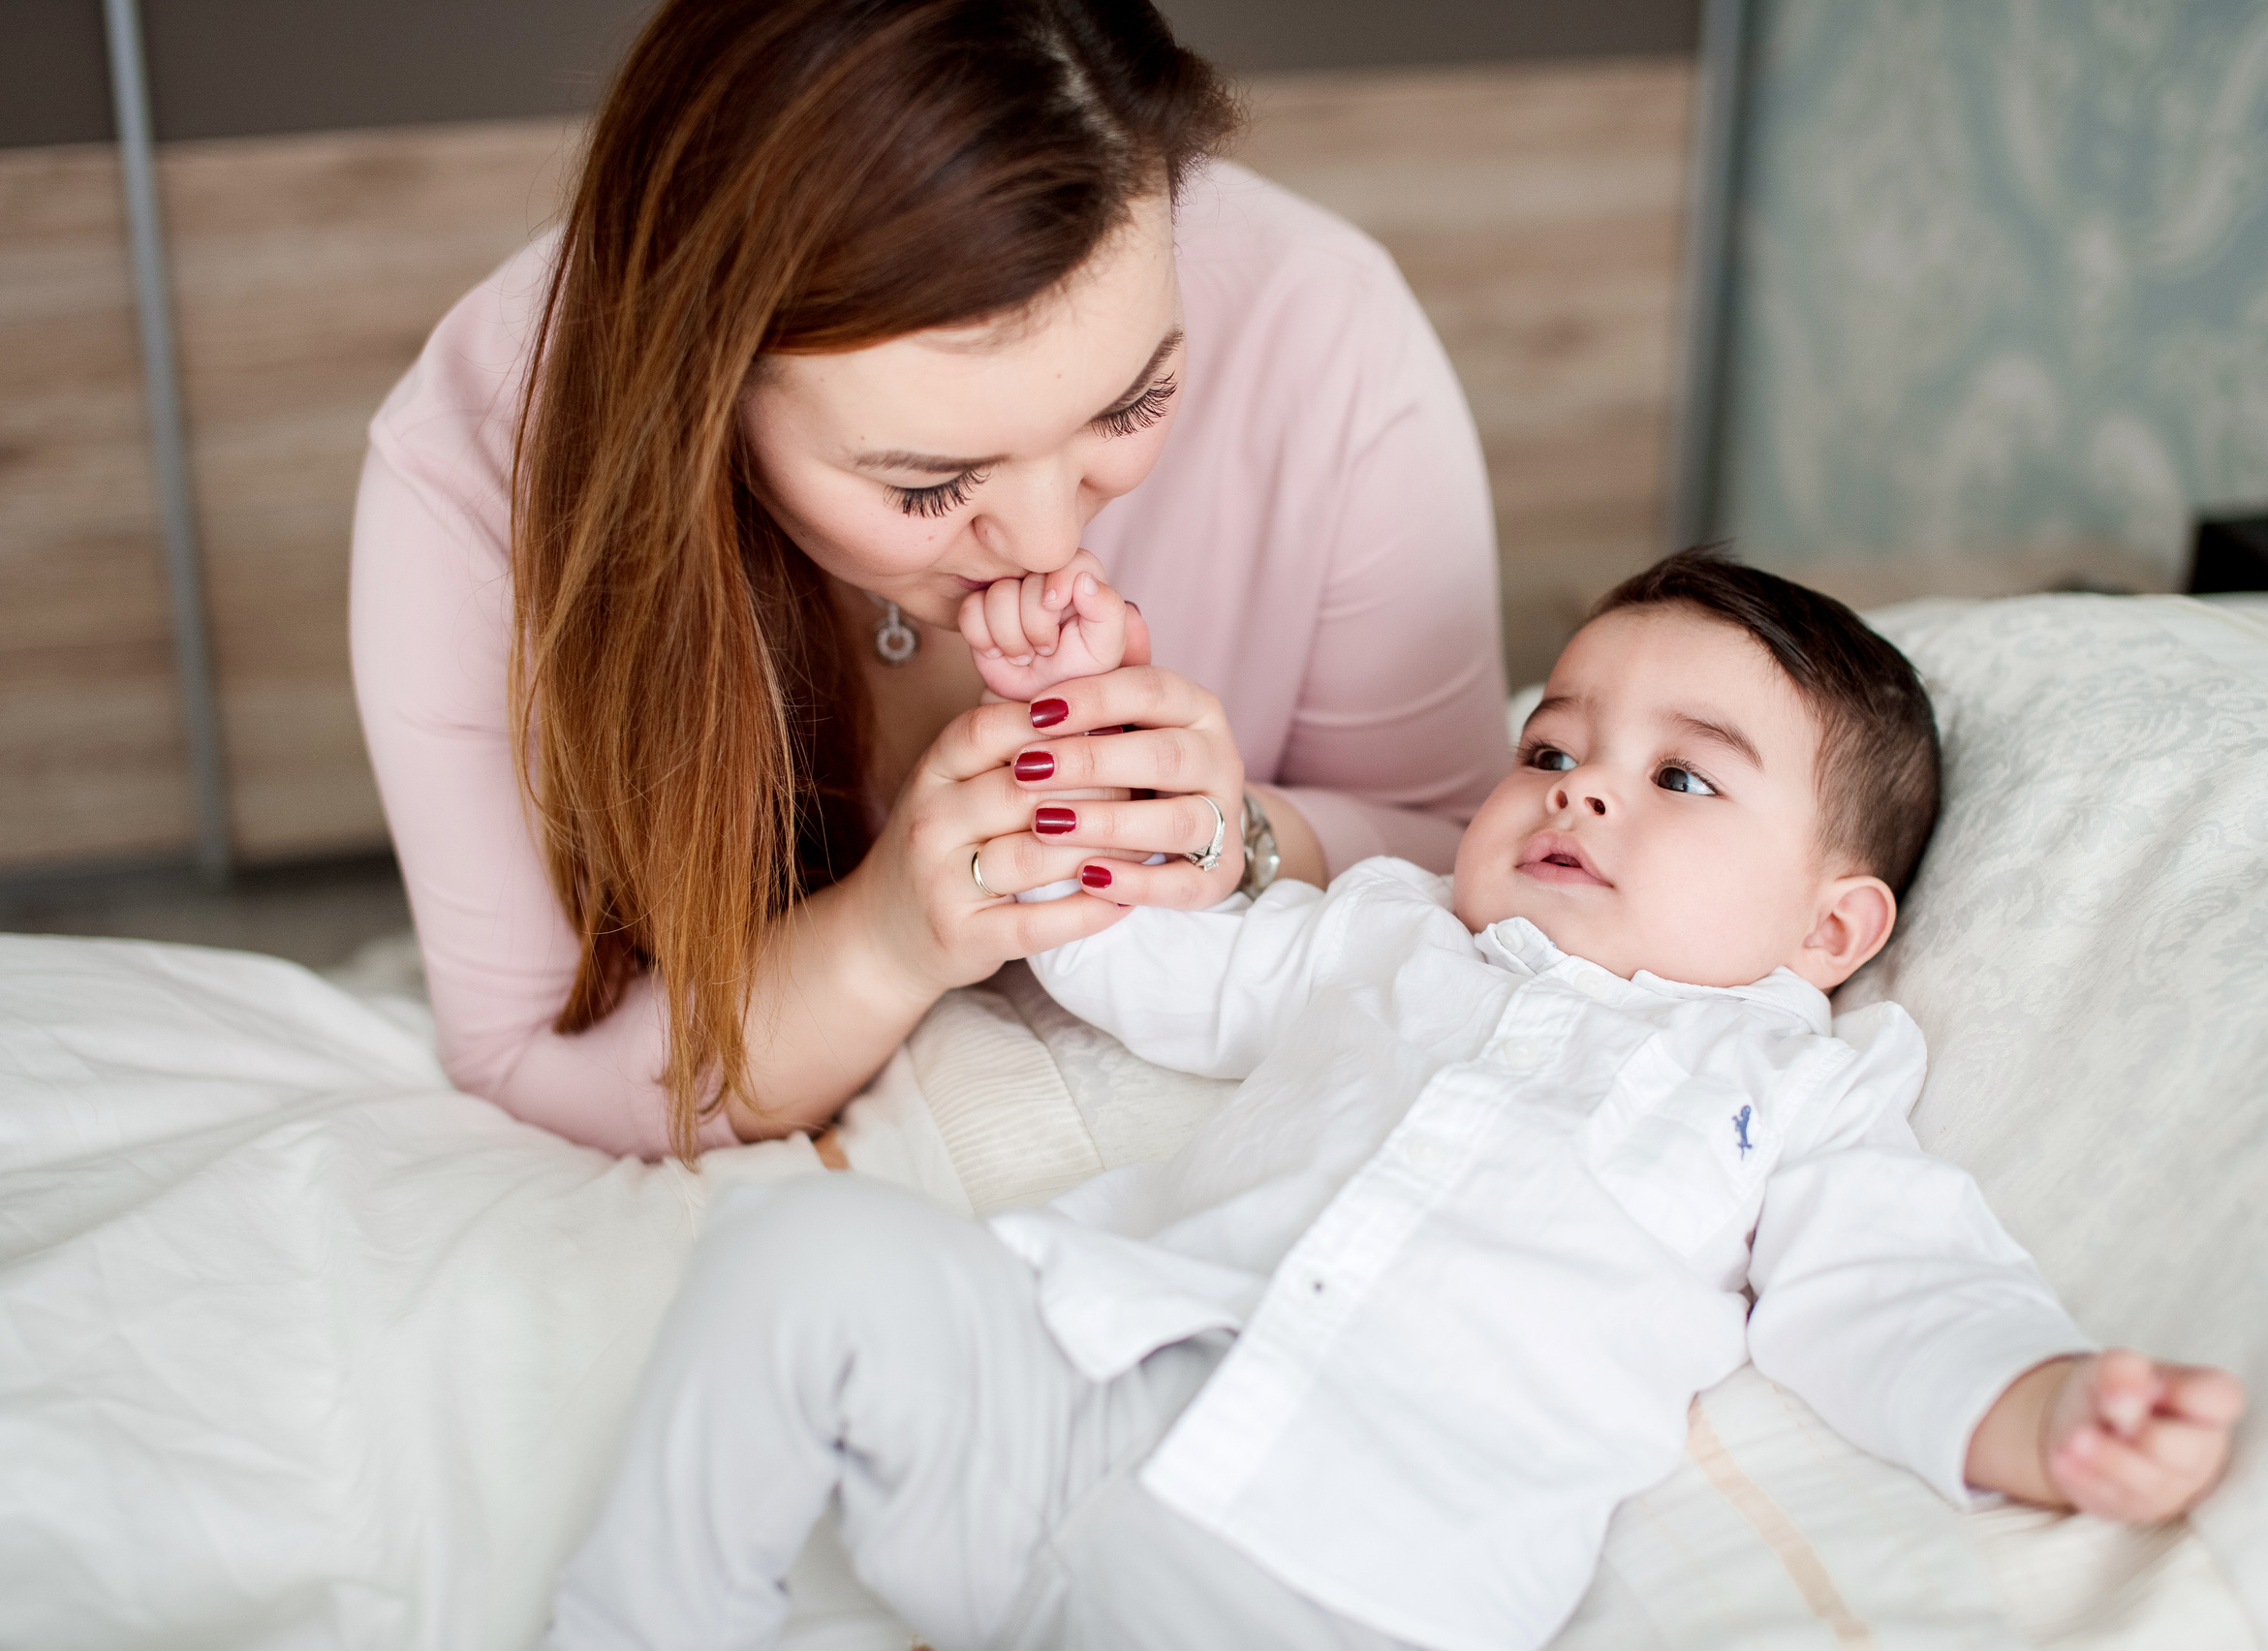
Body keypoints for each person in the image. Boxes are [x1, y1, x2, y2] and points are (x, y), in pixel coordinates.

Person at [542, 549, 2249, 1651]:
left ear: (1829, 924)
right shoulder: (1388, 936)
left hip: (1338, 1570)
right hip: (1084, 1391)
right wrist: (1063, 721)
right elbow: (1140, 957)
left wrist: (2042, 1405)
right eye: (1554, 744)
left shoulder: (1793, 1086)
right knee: (806, 1255)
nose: (1580, 788)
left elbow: (1895, 1287)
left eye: (1679, 775)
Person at [348, 0, 1508, 1161]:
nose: (1050, 543)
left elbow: (1461, 842)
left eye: (1133, 405)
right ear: (709, 404)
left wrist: (1240, 833)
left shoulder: (1321, 328)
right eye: (930, 485)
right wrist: (884, 940)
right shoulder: (472, 477)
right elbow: (527, 1064)